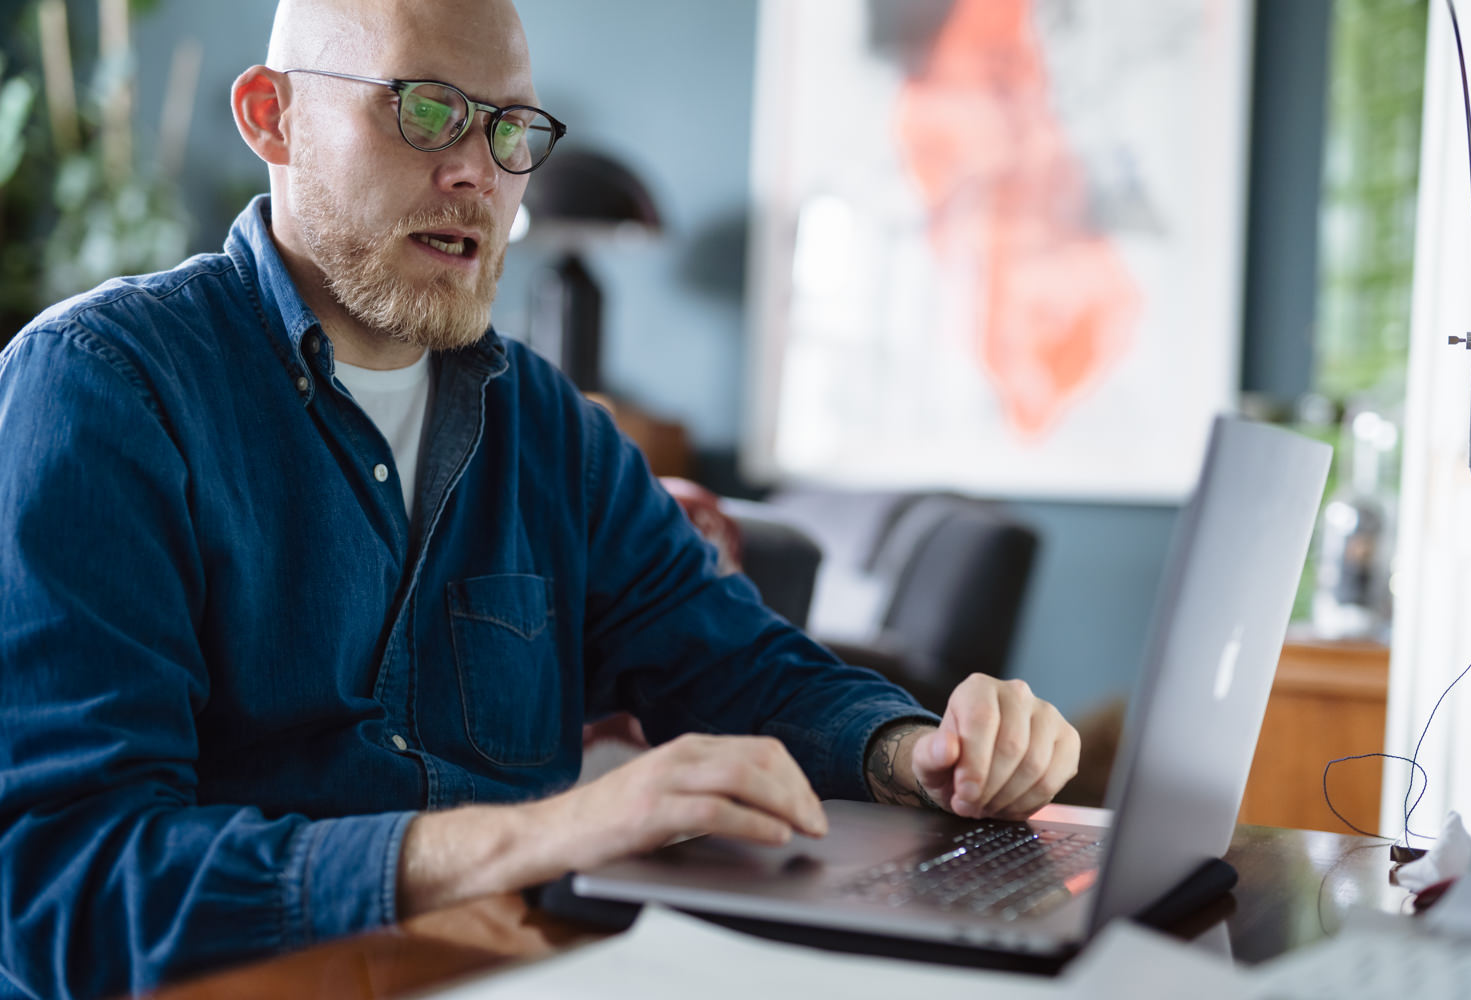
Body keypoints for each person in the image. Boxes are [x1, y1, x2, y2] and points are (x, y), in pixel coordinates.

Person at [0, 1, 1080, 996]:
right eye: (426, 111)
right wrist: (539, 836)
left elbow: (736, 668)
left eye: (511, 128)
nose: (478, 172)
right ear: (270, 117)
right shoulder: (104, 387)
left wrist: (915, 752)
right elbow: (63, 885)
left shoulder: (551, 429)